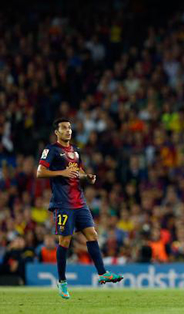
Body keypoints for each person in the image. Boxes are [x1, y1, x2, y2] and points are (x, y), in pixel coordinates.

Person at [37, 118, 123, 299]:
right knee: (65, 242)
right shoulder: (51, 150)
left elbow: (79, 171)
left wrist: (87, 177)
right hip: (63, 203)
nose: (68, 131)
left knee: (92, 235)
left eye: (69, 128)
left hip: (80, 201)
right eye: (64, 128)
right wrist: (62, 172)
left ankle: (103, 273)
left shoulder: (76, 151)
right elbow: (40, 172)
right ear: (57, 132)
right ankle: (61, 282)